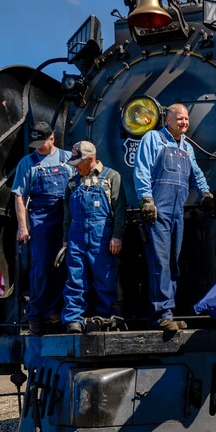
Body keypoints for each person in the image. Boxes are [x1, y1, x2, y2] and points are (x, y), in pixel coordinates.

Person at [133, 103, 214, 332]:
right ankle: (161, 314)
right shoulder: (153, 139)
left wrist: (205, 192)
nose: (184, 123)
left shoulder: (186, 147)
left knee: (172, 261)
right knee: (159, 261)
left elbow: (196, 172)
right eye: (180, 119)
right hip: (159, 209)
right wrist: (146, 200)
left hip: (178, 210)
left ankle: (169, 310)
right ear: (167, 120)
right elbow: (142, 170)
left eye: (186, 119)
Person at [12, 121, 74, 335]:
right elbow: (19, 196)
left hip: (66, 217)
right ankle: (35, 315)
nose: (39, 148)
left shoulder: (68, 159)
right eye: (36, 143)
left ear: (52, 138)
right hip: (40, 218)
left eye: (43, 143)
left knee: (64, 266)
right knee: (41, 268)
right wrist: (23, 227)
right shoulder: (27, 163)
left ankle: (55, 311)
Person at [61, 141, 127, 334]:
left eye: (78, 162)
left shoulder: (111, 177)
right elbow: (67, 214)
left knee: (104, 277)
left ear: (90, 159)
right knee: (75, 278)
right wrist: (66, 239)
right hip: (76, 236)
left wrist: (117, 236)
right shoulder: (73, 183)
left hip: (102, 236)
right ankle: (74, 319)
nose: (75, 166)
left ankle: (104, 317)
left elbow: (120, 210)